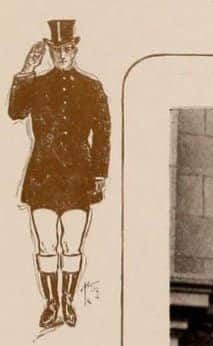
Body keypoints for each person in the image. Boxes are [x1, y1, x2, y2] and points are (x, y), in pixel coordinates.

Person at [9, 20, 110, 329]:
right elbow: (15, 111)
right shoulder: (36, 84)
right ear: (50, 51)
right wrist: (26, 69)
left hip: (78, 176)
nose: (62, 55)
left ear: (75, 49)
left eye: (67, 49)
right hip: (43, 174)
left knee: (72, 244)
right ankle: (51, 303)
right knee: (46, 244)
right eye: (57, 50)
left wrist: (99, 174)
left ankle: (68, 299)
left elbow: (103, 133)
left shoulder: (91, 86)